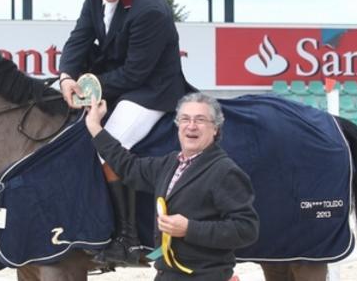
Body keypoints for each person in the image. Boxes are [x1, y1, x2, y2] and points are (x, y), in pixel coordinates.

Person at [59, 0, 193, 265]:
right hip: (118, 81)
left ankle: (128, 238)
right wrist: (65, 77)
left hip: (152, 90)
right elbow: (79, 38)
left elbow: (135, 74)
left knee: (108, 143)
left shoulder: (149, 9)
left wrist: (90, 89)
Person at [85, 92, 259, 280]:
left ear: (215, 128)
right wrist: (95, 127)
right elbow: (128, 166)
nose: (191, 126)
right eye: (185, 119)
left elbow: (246, 229)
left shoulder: (225, 171)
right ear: (178, 125)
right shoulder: (169, 163)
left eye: (200, 120)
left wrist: (189, 229)